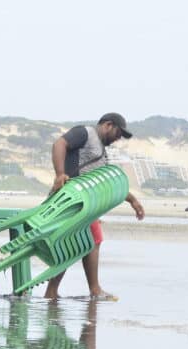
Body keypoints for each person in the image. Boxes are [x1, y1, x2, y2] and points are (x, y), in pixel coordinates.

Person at [44, 113, 145, 300]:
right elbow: (59, 144)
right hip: (72, 200)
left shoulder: (102, 154)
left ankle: (52, 292)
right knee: (92, 240)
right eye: (118, 133)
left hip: (84, 205)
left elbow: (107, 184)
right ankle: (94, 290)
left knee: (74, 246)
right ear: (108, 125)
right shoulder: (85, 133)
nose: (118, 139)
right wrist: (60, 174)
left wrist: (132, 200)